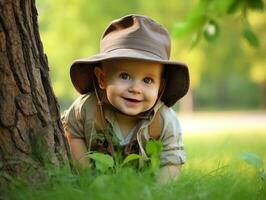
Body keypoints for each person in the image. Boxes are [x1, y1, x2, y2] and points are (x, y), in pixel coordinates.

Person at [62, 14, 189, 184]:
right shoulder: (87, 107)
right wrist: (87, 180)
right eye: (124, 76)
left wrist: (157, 193)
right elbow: (72, 132)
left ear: (160, 86)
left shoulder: (165, 120)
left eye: (148, 80)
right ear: (102, 79)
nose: (135, 89)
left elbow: (171, 161)